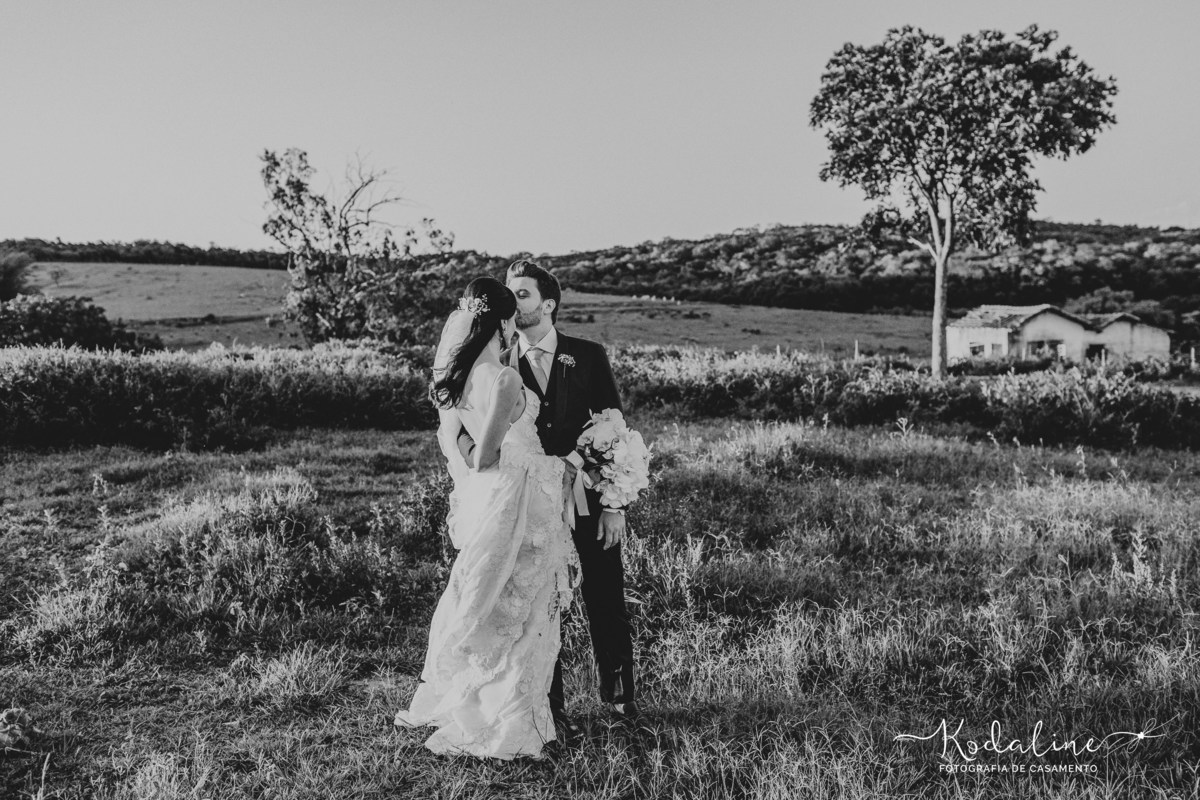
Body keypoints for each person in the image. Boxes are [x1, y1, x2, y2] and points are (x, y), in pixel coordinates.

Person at [394, 276, 579, 760]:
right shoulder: (504, 378)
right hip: (520, 498)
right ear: (501, 321)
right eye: (511, 315)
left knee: (499, 605)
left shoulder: (463, 377)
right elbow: (487, 457)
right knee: (526, 608)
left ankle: (497, 710)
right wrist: (555, 466)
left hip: (500, 499)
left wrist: (468, 443)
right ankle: (512, 725)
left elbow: (459, 438)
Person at [459, 259, 639, 738]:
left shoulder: (588, 355)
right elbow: (470, 428)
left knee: (606, 594)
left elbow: (615, 429)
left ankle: (621, 699)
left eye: (522, 293)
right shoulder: (498, 364)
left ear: (549, 304)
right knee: (537, 604)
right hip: (528, 504)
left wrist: (614, 505)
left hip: (586, 498)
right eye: (509, 293)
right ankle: (548, 708)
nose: (512, 301)